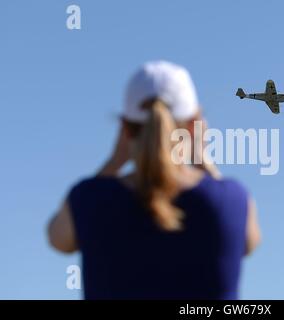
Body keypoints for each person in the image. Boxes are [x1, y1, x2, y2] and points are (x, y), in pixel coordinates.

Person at [47, 61, 261, 300]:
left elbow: (58, 238)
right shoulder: (231, 200)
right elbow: (248, 242)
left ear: (125, 129)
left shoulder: (89, 199)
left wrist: (114, 161)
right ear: (195, 126)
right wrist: (203, 161)